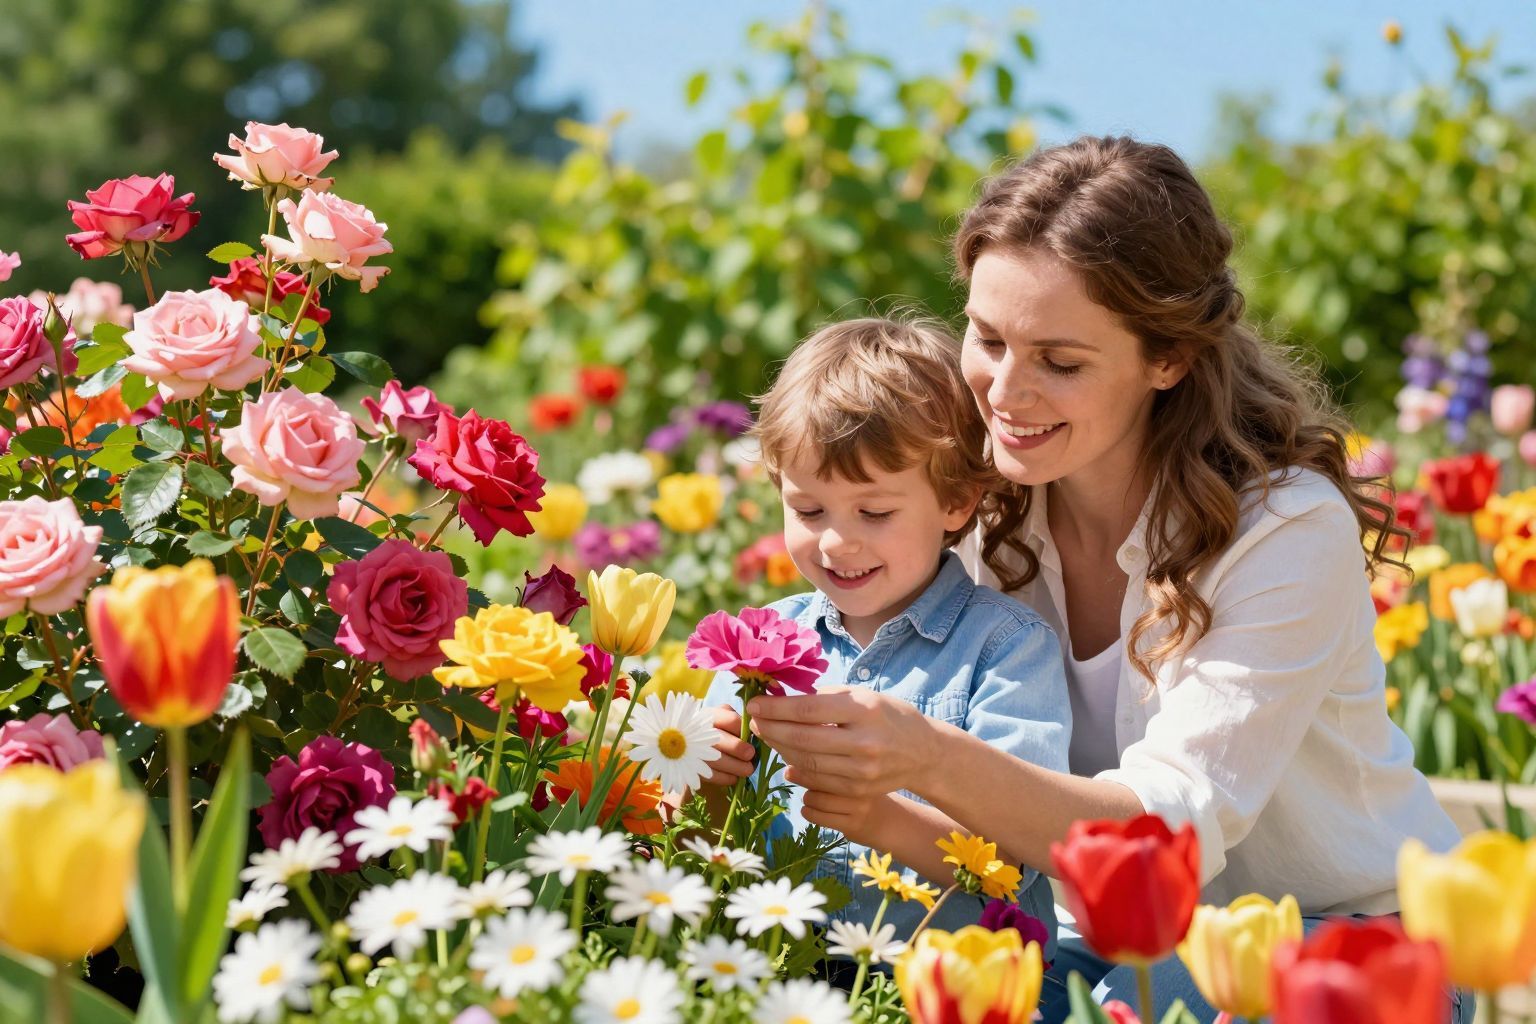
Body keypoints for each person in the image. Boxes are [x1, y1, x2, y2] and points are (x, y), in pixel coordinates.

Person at [741, 136, 1471, 1022]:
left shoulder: (1282, 532)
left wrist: (925, 757)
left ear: (1166, 359)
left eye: (1061, 361)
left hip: (1346, 951)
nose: (1004, 393)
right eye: (988, 337)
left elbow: (1167, 833)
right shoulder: (973, 507)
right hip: (1113, 955)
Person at [701, 316, 1072, 951]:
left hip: (957, 983)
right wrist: (707, 783)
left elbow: (1015, 866)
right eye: (808, 509)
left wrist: (882, 820)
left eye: (874, 512)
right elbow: (709, 844)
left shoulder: (1005, 646)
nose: (838, 541)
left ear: (955, 503)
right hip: (786, 971)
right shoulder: (764, 643)